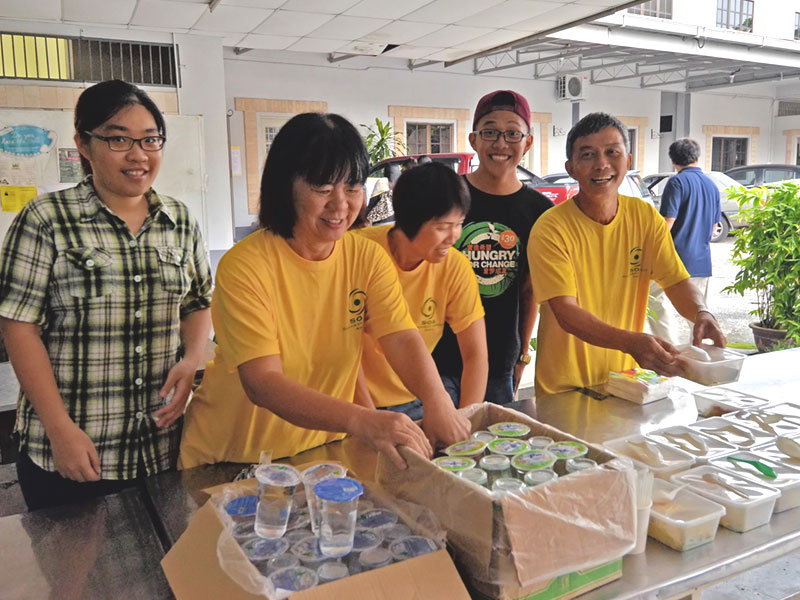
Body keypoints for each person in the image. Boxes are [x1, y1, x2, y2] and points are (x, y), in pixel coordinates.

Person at [179, 113, 470, 471]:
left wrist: (437, 400)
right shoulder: (246, 265)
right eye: (322, 189)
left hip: (320, 451)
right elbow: (263, 381)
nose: (341, 205)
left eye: (352, 188)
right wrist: (362, 419)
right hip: (233, 457)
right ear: (287, 186)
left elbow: (400, 336)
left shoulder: (365, 257)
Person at [0, 79, 212, 510]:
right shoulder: (45, 220)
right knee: (75, 576)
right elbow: (19, 329)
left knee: (164, 569)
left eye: (150, 139)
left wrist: (192, 361)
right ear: (83, 143)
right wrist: (61, 431)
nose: (139, 155)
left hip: (162, 446)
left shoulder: (180, 220)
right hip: (75, 449)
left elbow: (197, 304)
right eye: (119, 139)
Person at [529, 113, 726, 398]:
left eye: (612, 152)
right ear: (571, 168)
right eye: (588, 155)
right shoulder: (551, 228)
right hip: (565, 389)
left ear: (628, 161)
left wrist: (701, 312)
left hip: (627, 384)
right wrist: (632, 343)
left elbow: (676, 281)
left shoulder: (645, 217)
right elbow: (566, 313)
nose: (602, 164)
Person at [432, 90, 553, 405]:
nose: (501, 144)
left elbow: (529, 290)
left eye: (512, 133)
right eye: (490, 132)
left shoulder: (538, 210)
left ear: (527, 142)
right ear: (474, 139)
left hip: (497, 360)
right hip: (436, 356)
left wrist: (522, 353)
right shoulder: (447, 195)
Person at [357, 162, 488, 421]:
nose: (454, 236)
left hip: (417, 399)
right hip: (356, 403)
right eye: (441, 227)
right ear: (408, 220)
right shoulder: (359, 253)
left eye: (459, 223)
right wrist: (369, 421)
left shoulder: (455, 267)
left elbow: (475, 355)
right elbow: (341, 356)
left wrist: (465, 421)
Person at [648, 138, 722, 345]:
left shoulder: (677, 182)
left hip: (674, 261)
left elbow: (667, 221)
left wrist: (652, 250)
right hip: (701, 261)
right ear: (697, 157)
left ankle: (668, 349)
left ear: (673, 160)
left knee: (656, 302)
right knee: (698, 315)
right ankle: (703, 360)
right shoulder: (711, 185)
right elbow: (714, 227)